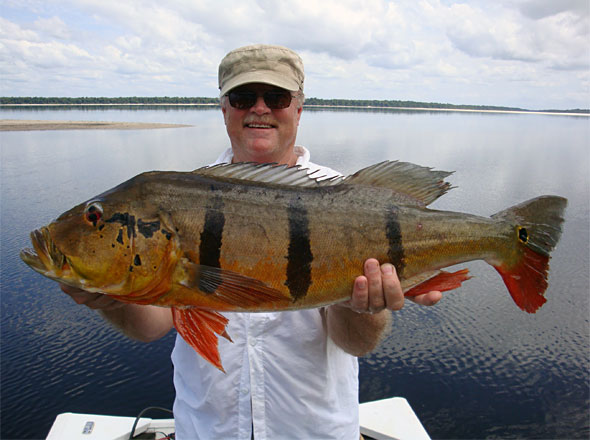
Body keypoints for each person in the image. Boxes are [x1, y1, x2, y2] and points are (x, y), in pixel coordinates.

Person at [62, 44, 442, 440]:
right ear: (224, 108)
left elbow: (354, 344)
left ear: (298, 108)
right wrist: (109, 295)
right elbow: (152, 327)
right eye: (243, 98)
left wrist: (365, 306)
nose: (259, 109)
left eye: (276, 97)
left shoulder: (346, 196)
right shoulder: (181, 197)